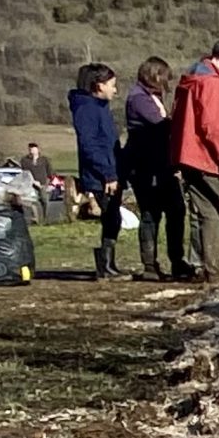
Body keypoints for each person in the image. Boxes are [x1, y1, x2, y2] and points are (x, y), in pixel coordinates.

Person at [168, 40, 219, 281]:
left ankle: (214, 272)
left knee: (208, 214)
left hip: (188, 157)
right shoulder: (211, 84)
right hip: (207, 158)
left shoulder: (191, 81)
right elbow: (214, 127)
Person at [124, 56, 192, 280]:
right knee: (151, 214)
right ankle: (150, 264)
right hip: (147, 166)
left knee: (175, 211)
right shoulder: (139, 99)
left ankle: (175, 259)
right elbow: (161, 125)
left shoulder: (151, 97)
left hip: (161, 164)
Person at [69, 64, 125, 279]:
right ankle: (105, 267)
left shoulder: (99, 107)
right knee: (111, 217)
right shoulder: (87, 109)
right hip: (101, 175)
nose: (115, 90)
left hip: (108, 171)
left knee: (113, 218)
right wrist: (108, 173)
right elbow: (90, 145)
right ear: (99, 86)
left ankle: (108, 265)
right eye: (112, 85)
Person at [18, 141, 57, 224]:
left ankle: (45, 218)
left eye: (33, 149)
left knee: (45, 201)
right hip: (31, 184)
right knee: (33, 201)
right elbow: (25, 173)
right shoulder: (25, 160)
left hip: (43, 183)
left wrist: (50, 183)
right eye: (30, 149)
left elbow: (50, 172)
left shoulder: (44, 160)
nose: (32, 151)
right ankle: (35, 218)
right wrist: (33, 181)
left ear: (37, 149)